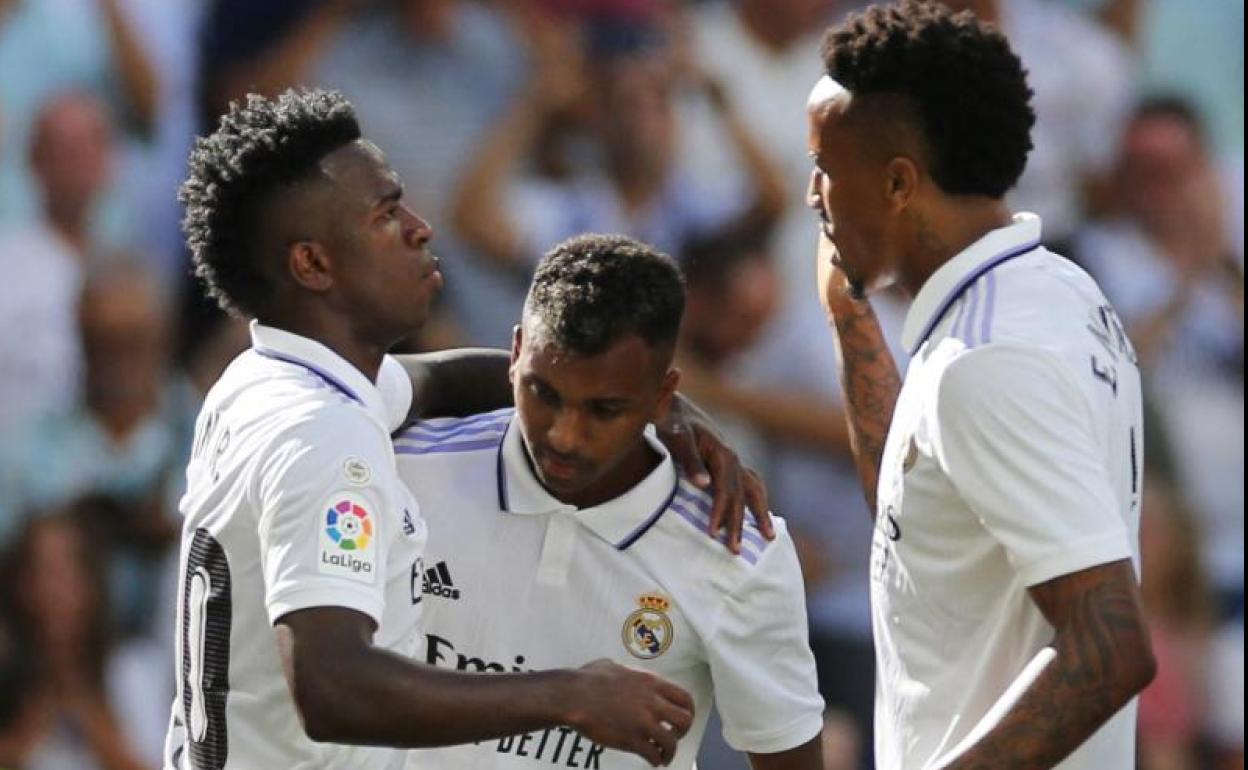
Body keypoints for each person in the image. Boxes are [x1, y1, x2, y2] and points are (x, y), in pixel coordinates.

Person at [163, 87, 765, 770]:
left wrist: (658, 408)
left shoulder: (260, 379)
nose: (420, 228)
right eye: (386, 214)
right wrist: (569, 695)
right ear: (313, 264)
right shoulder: (324, 435)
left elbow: (440, 381)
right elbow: (332, 686)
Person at [805, 3, 1155, 769]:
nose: (813, 195)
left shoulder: (987, 357)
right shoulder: (1057, 291)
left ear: (898, 182)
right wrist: (848, 317)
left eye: (825, 167)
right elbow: (916, 508)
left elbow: (1110, 648)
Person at [394, 233, 825, 769]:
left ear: (664, 396)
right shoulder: (404, 470)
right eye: (543, 393)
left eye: (605, 410)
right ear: (514, 355)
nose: (564, 436)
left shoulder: (738, 552)